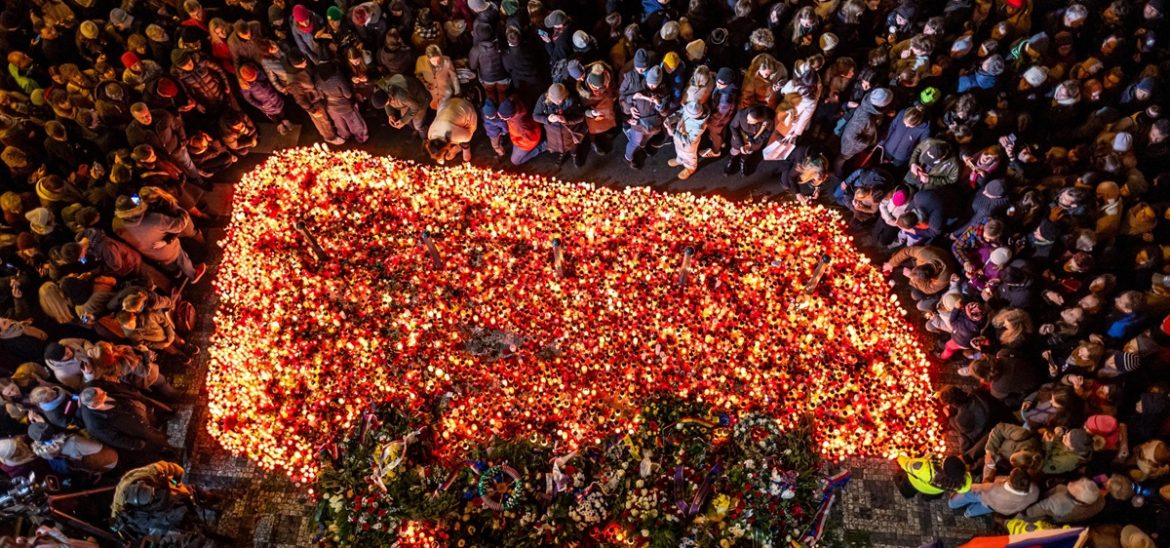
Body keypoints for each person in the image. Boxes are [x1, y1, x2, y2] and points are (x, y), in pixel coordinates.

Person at [533, 83, 586, 166]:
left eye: (559, 100)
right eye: (554, 100)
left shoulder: (572, 99)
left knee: (572, 144)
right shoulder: (543, 99)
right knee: (559, 145)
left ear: (565, 95)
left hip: (569, 130)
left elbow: (580, 117)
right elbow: (535, 116)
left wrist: (566, 120)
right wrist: (548, 119)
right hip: (553, 132)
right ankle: (562, 153)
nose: (557, 102)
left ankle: (574, 154)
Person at [426, 97, 478, 165]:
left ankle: (460, 149)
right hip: (448, 103)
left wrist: (459, 144)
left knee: (466, 136)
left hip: (465, 107)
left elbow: (468, 135)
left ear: (445, 147)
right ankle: (455, 147)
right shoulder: (430, 135)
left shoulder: (451, 134)